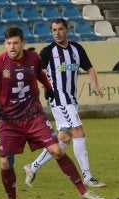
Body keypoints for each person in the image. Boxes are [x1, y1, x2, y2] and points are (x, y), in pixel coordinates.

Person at [0, 26, 104, 199]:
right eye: (8, 43)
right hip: (9, 121)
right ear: (5, 44)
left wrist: (48, 86)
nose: (12, 47)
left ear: (23, 43)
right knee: (5, 163)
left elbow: (39, 73)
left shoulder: (33, 58)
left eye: (15, 43)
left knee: (57, 151)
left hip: (34, 116)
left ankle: (84, 191)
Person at [23, 18, 105, 188]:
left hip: (71, 99)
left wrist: (95, 84)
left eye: (60, 29)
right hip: (59, 98)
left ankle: (32, 167)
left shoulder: (76, 49)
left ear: (67, 30)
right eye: (54, 30)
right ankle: (87, 177)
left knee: (64, 138)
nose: (57, 33)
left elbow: (90, 68)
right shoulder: (47, 52)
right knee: (78, 131)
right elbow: (33, 71)